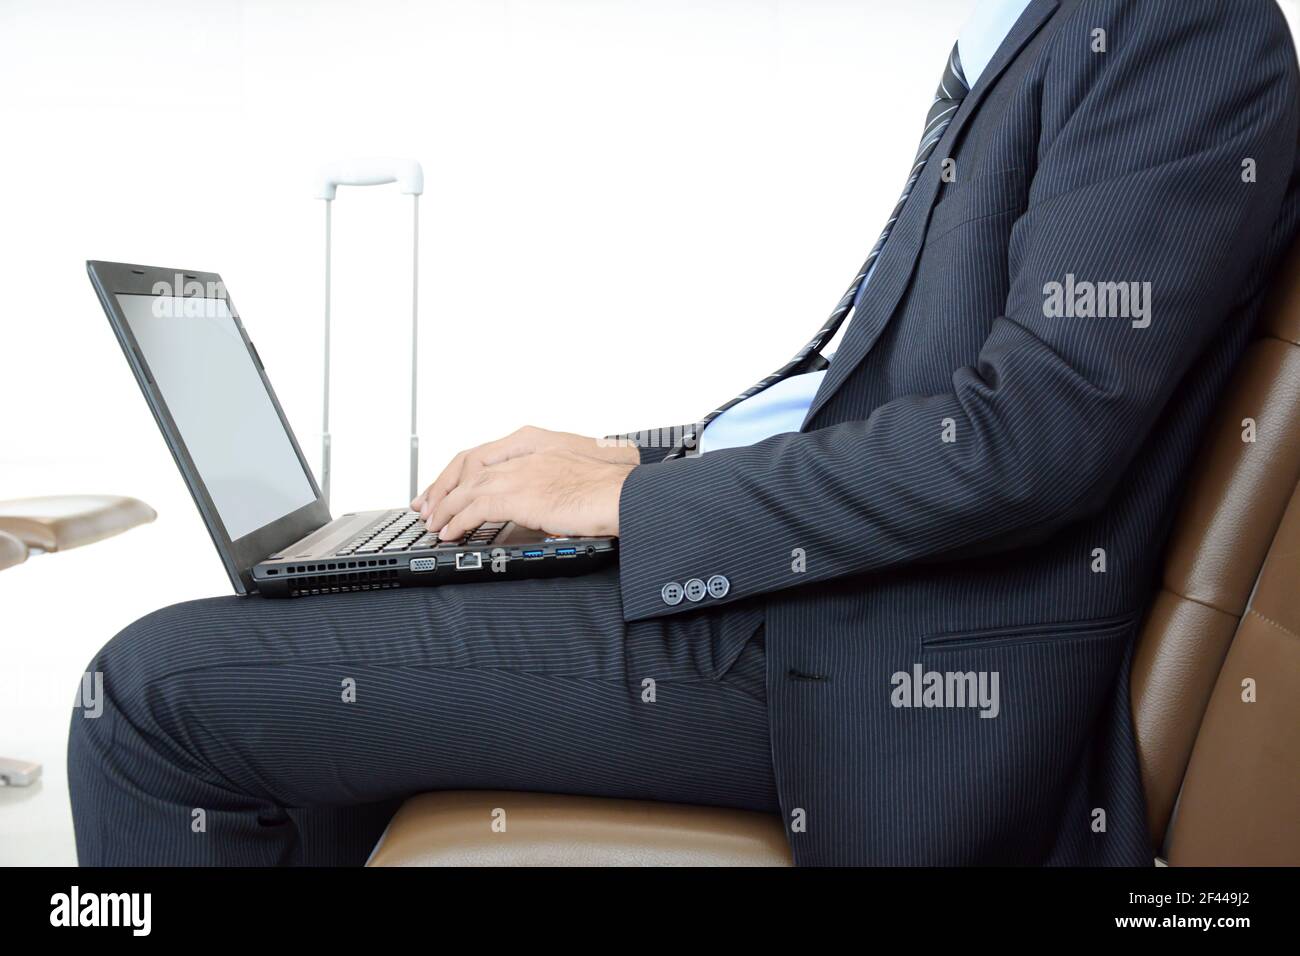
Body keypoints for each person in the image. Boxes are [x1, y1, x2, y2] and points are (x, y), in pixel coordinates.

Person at [69, 0, 1300, 865]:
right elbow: (881, 399)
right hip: (827, 604)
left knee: (145, 694)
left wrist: (633, 508)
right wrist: (642, 462)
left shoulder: (1169, 22)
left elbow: (1024, 437)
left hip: (878, 665)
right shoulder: (1028, 36)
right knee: (299, 634)